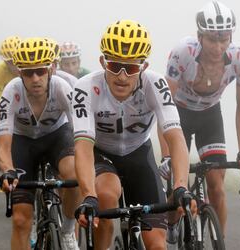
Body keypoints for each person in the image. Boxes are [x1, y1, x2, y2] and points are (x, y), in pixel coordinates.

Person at [72, 20, 196, 250]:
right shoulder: (86, 87)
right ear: (102, 62)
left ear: (143, 67)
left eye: (130, 68)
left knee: (157, 246)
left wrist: (180, 187)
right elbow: (82, 146)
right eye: (114, 66)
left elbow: (176, 138)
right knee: (107, 194)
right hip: (102, 155)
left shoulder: (155, 84)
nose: (121, 76)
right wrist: (89, 195)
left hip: (138, 154)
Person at [158, 1, 240, 238]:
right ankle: (171, 222)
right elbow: (164, 104)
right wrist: (167, 155)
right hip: (178, 114)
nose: (218, 46)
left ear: (231, 36)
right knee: (177, 184)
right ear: (200, 36)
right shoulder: (183, 53)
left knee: (217, 187)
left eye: (224, 38)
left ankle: (219, 239)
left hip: (210, 116)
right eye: (212, 39)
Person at [0, 37, 81, 250]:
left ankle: (68, 229)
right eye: (28, 72)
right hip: (23, 142)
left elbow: (81, 133)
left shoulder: (63, 87)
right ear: (19, 73)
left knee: (74, 175)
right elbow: (4, 145)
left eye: (41, 71)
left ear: (51, 69)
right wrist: (8, 171)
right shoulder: (11, 92)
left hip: (56, 137)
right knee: (20, 220)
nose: (35, 78)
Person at [0, 36, 21, 130]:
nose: (13, 66)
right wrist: (1, 132)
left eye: (15, 61)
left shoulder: (29, 67)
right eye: (9, 62)